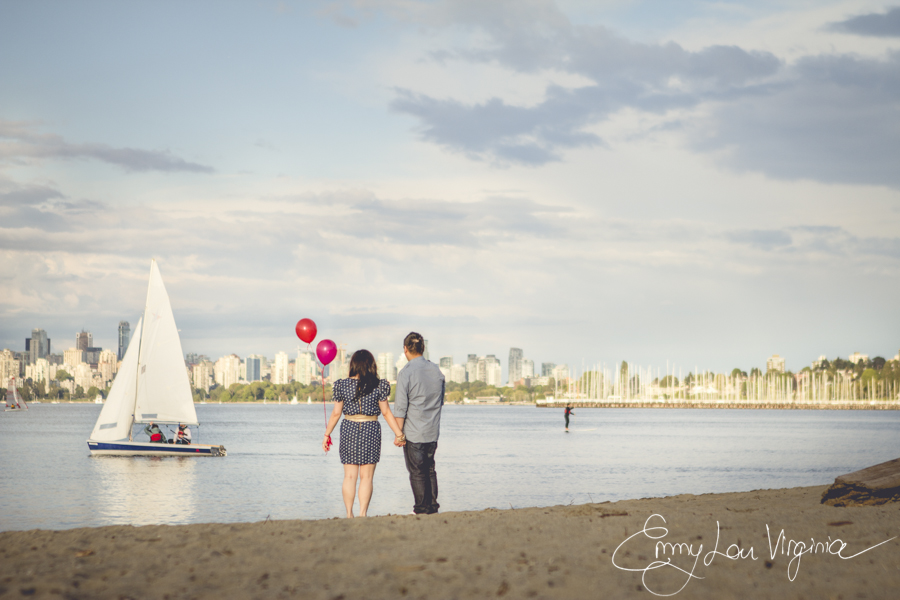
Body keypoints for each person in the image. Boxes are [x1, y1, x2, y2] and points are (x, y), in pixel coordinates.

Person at [323, 349, 406, 518]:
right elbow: (386, 412)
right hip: (371, 428)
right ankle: (362, 514)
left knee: (350, 476)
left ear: (353, 365)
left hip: (349, 428)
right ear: (371, 365)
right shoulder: (379, 385)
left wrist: (327, 434)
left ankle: (348, 514)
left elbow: (336, 414)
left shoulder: (341, 385)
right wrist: (399, 434)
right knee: (366, 477)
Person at [393, 332, 445, 515]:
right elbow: (441, 401)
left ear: (405, 349)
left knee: (417, 472)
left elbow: (400, 409)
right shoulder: (437, 371)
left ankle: (421, 509)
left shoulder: (406, 372)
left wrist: (398, 434)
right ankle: (432, 507)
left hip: (414, 432)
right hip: (432, 431)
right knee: (430, 469)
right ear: (423, 349)